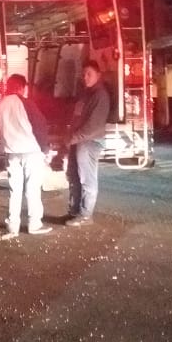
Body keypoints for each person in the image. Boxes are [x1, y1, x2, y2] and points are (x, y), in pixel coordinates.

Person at [0, 74, 52, 239]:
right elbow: (40, 125)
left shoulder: (0, 106)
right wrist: (45, 148)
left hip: (12, 153)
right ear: (21, 87)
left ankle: (13, 226)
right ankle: (34, 224)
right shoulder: (25, 103)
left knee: (15, 190)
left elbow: (0, 127)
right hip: (30, 151)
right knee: (32, 188)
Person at [65, 60, 110, 226]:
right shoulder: (86, 94)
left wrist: (74, 138)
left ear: (98, 75)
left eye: (89, 74)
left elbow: (93, 125)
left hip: (89, 142)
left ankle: (85, 215)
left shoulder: (100, 96)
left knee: (87, 178)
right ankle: (75, 211)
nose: (85, 77)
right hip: (79, 140)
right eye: (83, 74)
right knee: (74, 176)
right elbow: (77, 116)